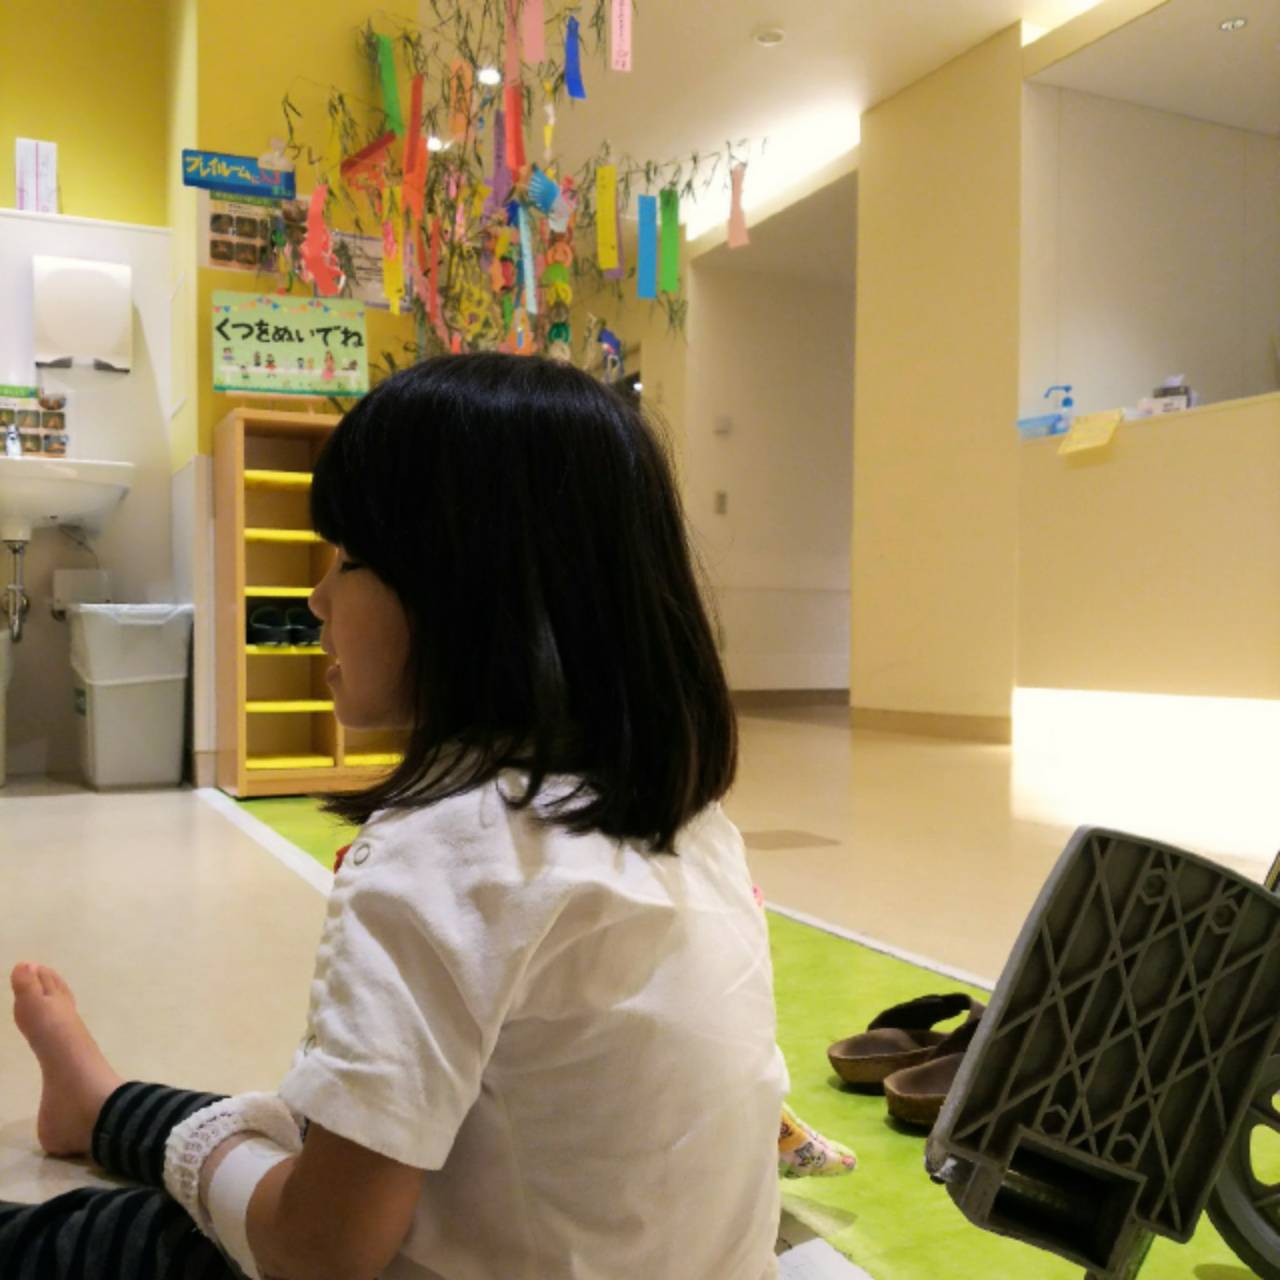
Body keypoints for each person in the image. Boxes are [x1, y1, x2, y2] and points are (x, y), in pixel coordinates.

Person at [3, 353, 789, 1279]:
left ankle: (116, 1131)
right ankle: (97, 1104)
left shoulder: (440, 859)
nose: (316, 596)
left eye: (347, 558)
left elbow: (318, 1251)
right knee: (295, 1122)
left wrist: (198, 1164)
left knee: (129, 1236)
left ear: (466, 593)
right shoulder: (694, 826)